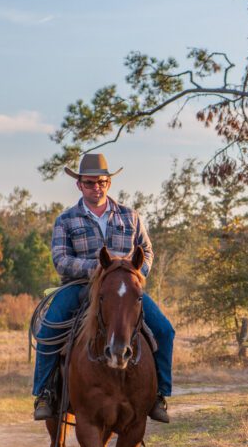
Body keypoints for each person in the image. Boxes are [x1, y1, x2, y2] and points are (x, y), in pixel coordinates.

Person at [32, 152, 175, 423]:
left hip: (124, 288)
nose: (95, 187)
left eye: (100, 182)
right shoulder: (66, 219)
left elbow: (147, 251)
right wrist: (97, 270)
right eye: (89, 183)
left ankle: (159, 396)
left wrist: (134, 276)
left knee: (165, 330)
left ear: (108, 183)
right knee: (49, 328)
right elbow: (60, 260)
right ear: (79, 185)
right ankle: (44, 393)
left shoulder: (130, 216)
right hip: (79, 286)